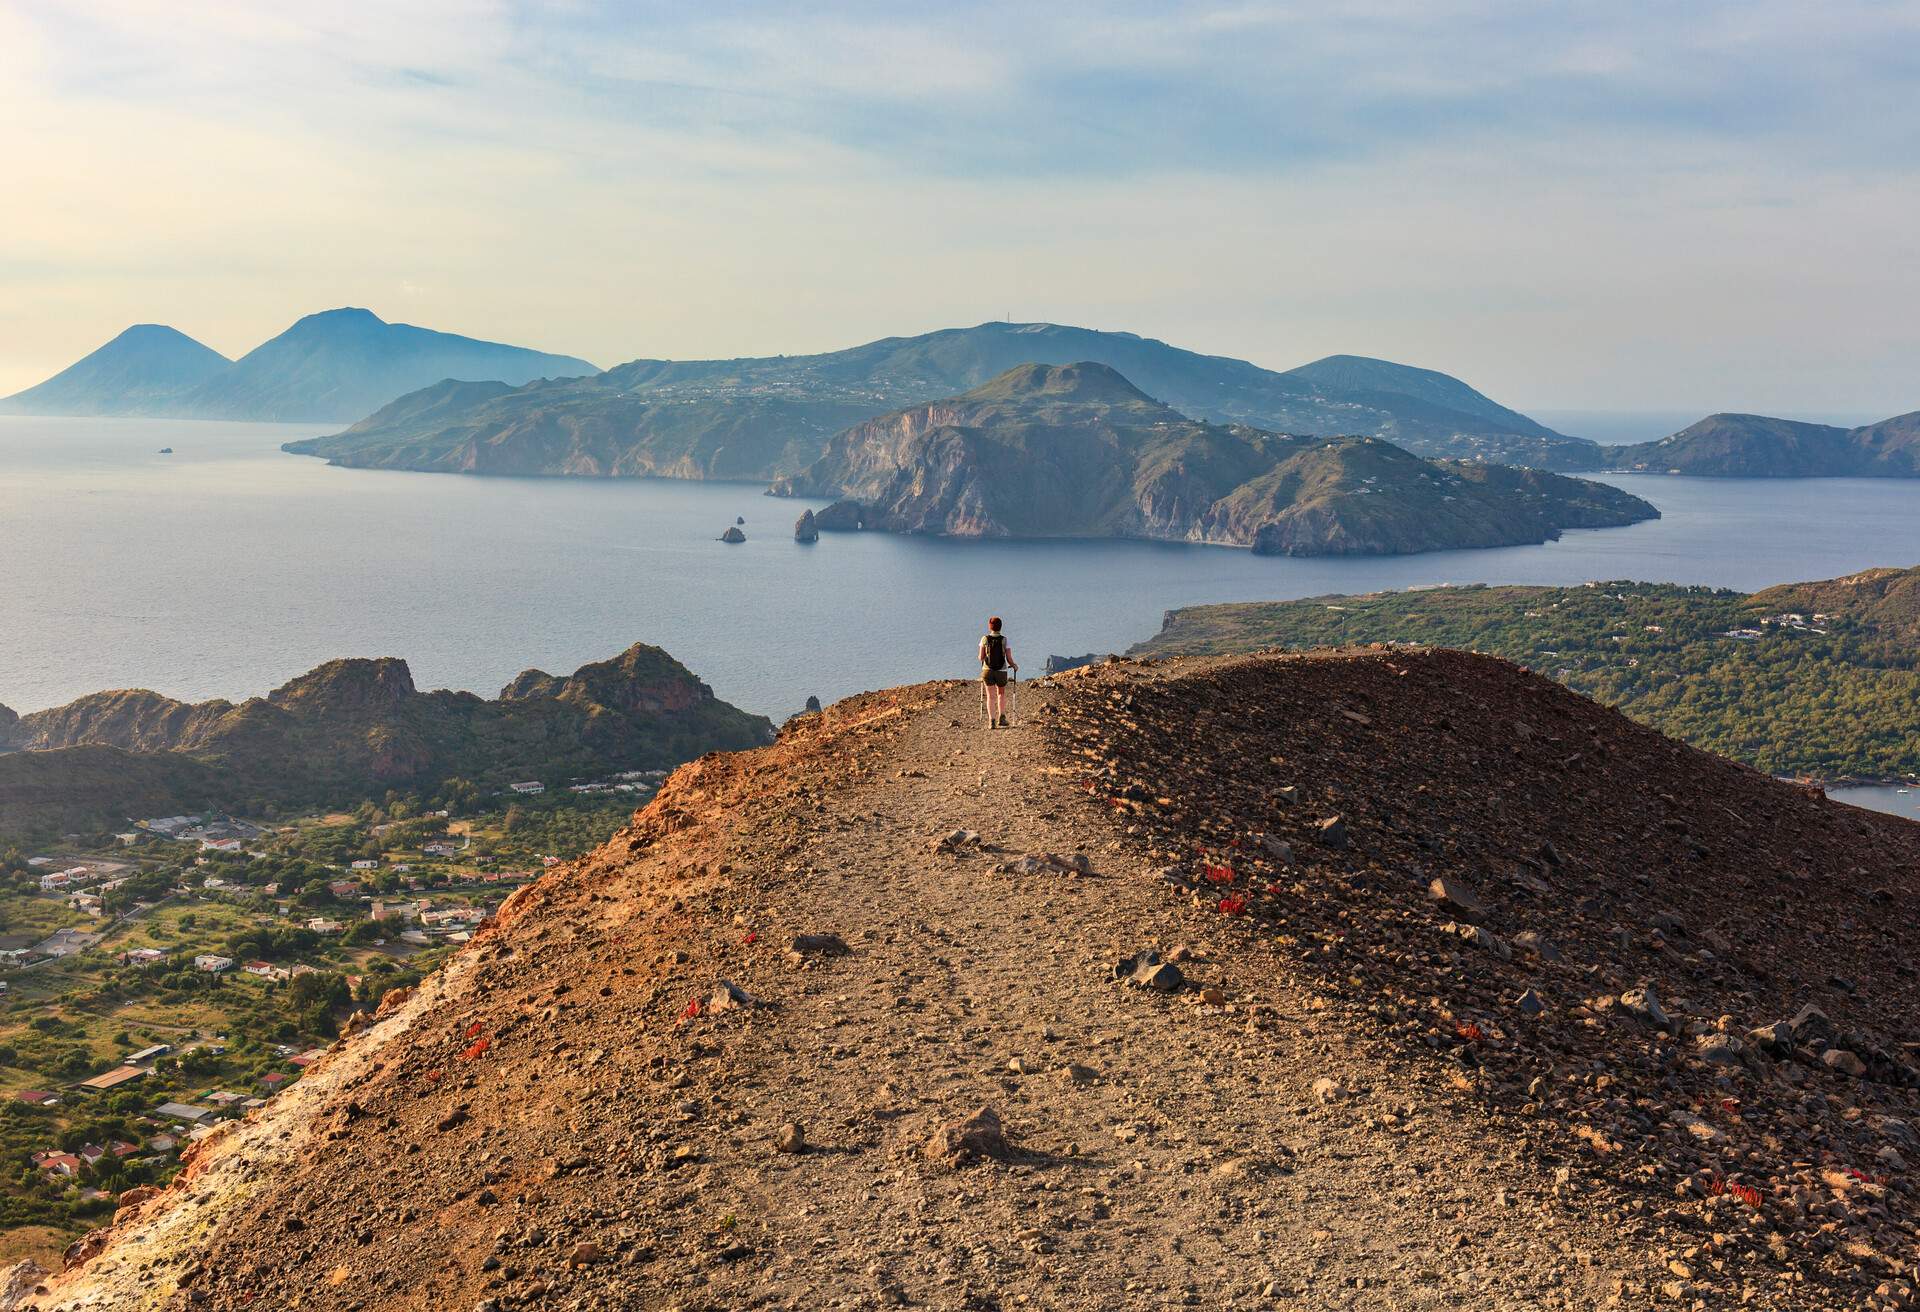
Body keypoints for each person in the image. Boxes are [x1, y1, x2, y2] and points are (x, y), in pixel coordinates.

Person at [979, 616, 1017, 728]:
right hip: (1001, 670)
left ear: (990, 626)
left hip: (987, 670)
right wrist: (1014, 666)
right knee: (1001, 693)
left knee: (990, 696)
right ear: (1000, 627)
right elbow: (1009, 658)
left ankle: (992, 721)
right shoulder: (1005, 640)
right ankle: (1002, 718)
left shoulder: (984, 639)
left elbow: (981, 657)